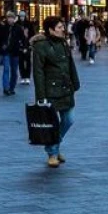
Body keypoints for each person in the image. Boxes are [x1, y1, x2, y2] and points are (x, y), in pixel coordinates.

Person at [31, 16, 80, 168]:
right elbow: (38, 72)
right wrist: (41, 96)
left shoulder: (64, 43)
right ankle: (52, 153)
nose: (62, 29)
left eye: (62, 27)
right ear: (50, 29)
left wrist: (75, 82)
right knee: (52, 122)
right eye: (59, 27)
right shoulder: (41, 46)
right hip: (50, 89)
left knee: (69, 119)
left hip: (66, 87)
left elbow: (70, 64)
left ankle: (54, 145)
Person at [0, 11, 27, 96]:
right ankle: (6, 88)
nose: (10, 19)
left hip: (15, 52)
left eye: (11, 18)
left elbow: (23, 38)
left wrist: (24, 47)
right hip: (6, 52)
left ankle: (11, 87)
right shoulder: (3, 27)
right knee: (6, 69)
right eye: (8, 18)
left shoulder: (18, 28)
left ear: (14, 19)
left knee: (14, 71)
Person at [16, 11, 33, 84]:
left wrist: (30, 44)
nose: (22, 17)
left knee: (28, 61)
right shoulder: (16, 24)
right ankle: (22, 76)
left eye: (23, 16)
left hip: (28, 44)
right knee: (21, 62)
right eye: (21, 16)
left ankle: (27, 77)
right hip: (19, 46)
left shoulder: (29, 24)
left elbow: (32, 34)